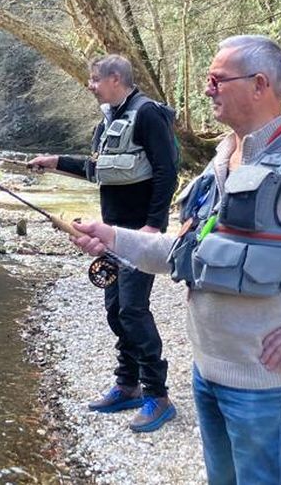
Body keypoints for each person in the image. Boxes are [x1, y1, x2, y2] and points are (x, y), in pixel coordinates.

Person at [69, 35, 281, 484]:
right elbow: (181, 254)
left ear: (259, 84)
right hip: (207, 373)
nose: (207, 89)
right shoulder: (222, 160)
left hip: (265, 387)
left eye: (217, 79)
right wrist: (112, 238)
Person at [27, 54, 179, 433]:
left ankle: (158, 396)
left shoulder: (148, 115)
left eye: (95, 80)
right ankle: (128, 385)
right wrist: (54, 162)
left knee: (132, 310)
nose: (90, 86)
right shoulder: (106, 124)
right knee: (115, 310)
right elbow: (97, 170)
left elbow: (167, 171)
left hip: (140, 235)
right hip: (109, 234)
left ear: (115, 78)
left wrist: (153, 227)